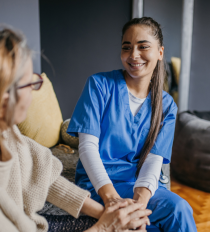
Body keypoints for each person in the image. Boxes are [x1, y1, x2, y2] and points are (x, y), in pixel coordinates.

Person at [0, 26, 152, 232]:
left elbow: (45, 176)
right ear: (0, 98)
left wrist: (110, 214)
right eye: (30, 83)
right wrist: (105, 227)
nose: (35, 90)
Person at [67, 17, 197, 231]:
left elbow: (154, 160)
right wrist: (111, 199)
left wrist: (141, 202)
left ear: (160, 52)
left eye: (143, 47)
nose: (133, 55)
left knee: (179, 209)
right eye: (127, 47)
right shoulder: (98, 85)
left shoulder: (166, 105)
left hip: (137, 185)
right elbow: (87, 148)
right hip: (99, 185)